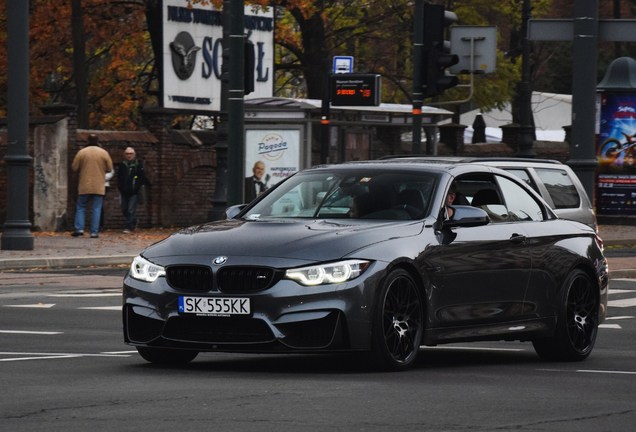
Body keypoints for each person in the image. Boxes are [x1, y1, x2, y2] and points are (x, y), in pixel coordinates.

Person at [71, 134, 114, 238]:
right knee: (96, 208)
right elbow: (109, 168)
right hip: (99, 185)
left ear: (87, 140)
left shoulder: (82, 152)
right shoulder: (103, 153)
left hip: (84, 185)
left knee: (81, 207)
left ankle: (80, 229)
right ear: (97, 141)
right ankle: (94, 232)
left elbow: (74, 167)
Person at [117, 147, 149, 233]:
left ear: (134, 154)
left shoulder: (138, 164)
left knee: (130, 209)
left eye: (130, 154)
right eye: (127, 154)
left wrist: (136, 188)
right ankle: (133, 221)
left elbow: (142, 178)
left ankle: (128, 227)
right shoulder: (122, 165)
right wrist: (120, 187)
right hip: (124, 191)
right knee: (124, 209)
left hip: (134, 191)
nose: (129, 155)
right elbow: (119, 177)